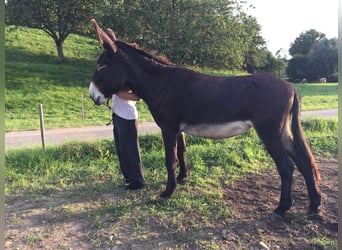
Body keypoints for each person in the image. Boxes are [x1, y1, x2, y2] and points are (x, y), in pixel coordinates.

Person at [111, 89, 145, 190]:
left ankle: (138, 181)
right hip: (117, 114)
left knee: (131, 150)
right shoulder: (118, 78)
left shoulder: (129, 78)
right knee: (122, 149)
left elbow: (137, 96)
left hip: (127, 116)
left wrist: (116, 92)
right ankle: (129, 177)